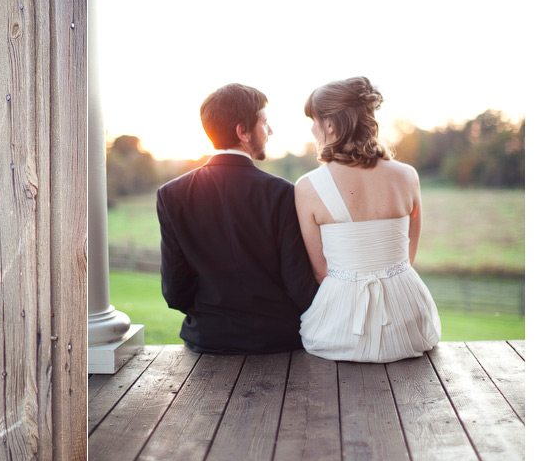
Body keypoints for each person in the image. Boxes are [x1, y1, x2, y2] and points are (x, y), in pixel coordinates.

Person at [156, 83, 319, 354]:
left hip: (207, 339)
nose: (270, 131)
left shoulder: (171, 194)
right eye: (264, 123)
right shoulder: (281, 192)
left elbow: (174, 289)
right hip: (277, 341)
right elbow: (298, 284)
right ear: (242, 132)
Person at [294, 77, 441, 362]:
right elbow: (408, 258)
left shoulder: (307, 187)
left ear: (330, 124)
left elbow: (321, 272)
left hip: (342, 330)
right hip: (407, 322)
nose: (312, 129)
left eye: (314, 121)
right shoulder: (408, 176)